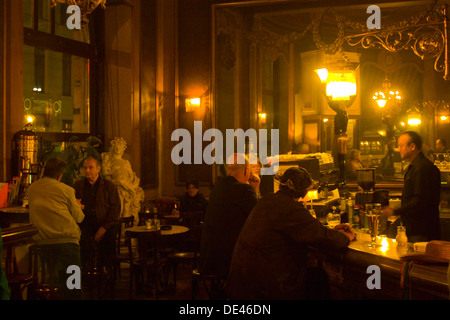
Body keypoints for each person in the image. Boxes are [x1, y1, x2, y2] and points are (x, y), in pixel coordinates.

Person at [225, 167, 355, 300]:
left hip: (241, 283)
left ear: (281, 185)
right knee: (319, 279)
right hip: (265, 289)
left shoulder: (267, 200)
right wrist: (346, 237)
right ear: (304, 192)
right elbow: (324, 237)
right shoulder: (290, 208)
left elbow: (314, 231)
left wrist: (331, 232)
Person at [199, 153, 260, 286]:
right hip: (229, 260)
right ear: (246, 170)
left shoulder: (218, 188)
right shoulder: (245, 190)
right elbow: (258, 219)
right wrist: (255, 189)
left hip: (209, 258)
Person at [28, 157, 85, 299]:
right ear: (60, 175)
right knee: (73, 284)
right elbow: (79, 217)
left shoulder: (32, 188)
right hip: (67, 243)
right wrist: (78, 206)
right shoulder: (66, 189)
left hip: (42, 242)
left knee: (53, 283)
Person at [383, 131, 441, 242]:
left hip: (420, 231)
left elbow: (419, 200)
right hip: (416, 229)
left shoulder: (421, 168)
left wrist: (394, 211)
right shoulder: (418, 166)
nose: (398, 149)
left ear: (412, 146)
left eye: (401, 145)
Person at [73, 157, 121, 276]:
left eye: (91, 168)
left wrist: (104, 227)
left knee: (108, 239)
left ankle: (107, 269)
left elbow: (115, 209)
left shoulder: (108, 186)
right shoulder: (78, 186)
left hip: (105, 223)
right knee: (79, 239)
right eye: (85, 168)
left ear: (98, 169)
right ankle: (84, 270)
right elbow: (73, 204)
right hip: (86, 222)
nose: (87, 171)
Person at [102, 137, 144, 222]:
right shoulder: (108, 161)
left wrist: (131, 184)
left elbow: (131, 176)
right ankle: (120, 232)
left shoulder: (126, 162)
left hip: (127, 189)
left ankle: (125, 232)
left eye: (120, 146)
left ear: (123, 148)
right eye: (116, 146)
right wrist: (117, 182)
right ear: (113, 147)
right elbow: (106, 177)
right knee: (118, 213)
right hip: (116, 189)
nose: (118, 148)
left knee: (127, 212)